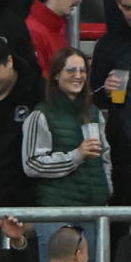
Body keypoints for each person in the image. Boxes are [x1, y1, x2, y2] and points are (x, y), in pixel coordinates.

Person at [24, 45, 112, 213]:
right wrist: (76, 156)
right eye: (71, 70)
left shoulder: (94, 112)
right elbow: (32, 164)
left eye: (83, 71)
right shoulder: (41, 114)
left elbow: (105, 156)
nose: (78, 76)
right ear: (57, 75)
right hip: (58, 210)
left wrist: (107, 188)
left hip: (96, 210)